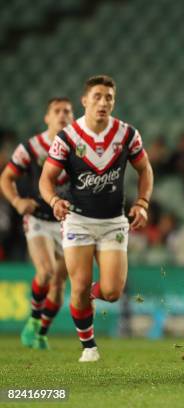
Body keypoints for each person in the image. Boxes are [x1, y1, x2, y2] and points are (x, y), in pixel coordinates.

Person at [39, 75, 154, 362]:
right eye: (98, 96)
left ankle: (86, 297)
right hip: (77, 219)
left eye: (109, 98)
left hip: (113, 221)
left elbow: (145, 170)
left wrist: (142, 203)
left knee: (113, 292)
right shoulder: (67, 138)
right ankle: (89, 346)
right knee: (77, 285)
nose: (103, 102)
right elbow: (46, 179)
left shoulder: (127, 134)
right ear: (85, 101)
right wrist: (54, 200)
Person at [0, 97, 73, 350]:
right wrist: (17, 201)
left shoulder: (78, 147)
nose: (62, 115)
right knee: (46, 272)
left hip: (67, 221)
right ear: (47, 117)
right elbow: (6, 177)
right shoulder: (31, 148)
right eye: (57, 111)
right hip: (39, 219)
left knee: (60, 282)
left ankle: (41, 332)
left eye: (67, 111)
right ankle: (32, 320)